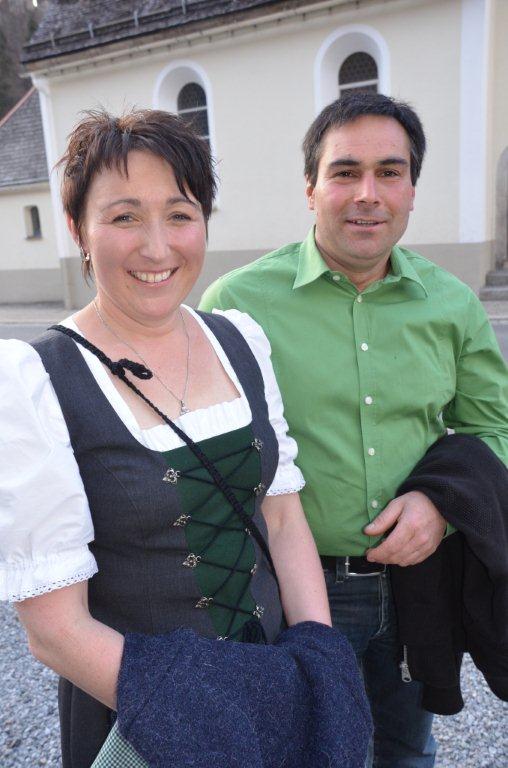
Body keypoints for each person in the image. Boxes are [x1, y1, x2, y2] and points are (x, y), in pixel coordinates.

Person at [0, 109, 334, 768]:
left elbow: (282, 516)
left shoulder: (240, 341)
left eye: (180, 214)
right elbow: (56, 632)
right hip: (144, 718)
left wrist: (320, 664)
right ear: (77, 228)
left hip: (273, 684)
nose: (157, 248)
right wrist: (208, 722)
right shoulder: (36, 381)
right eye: (124, 217)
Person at [199, 91, 508, 767]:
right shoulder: (236, 304)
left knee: (406, 749)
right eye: (345, 172)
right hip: (292, 589)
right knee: (306, 753)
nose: (368, 194)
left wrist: (442, 508)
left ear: (411, 190)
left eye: (389, 172)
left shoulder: (453, 306)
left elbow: (495, 430)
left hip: (419, 584)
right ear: (310, 188)